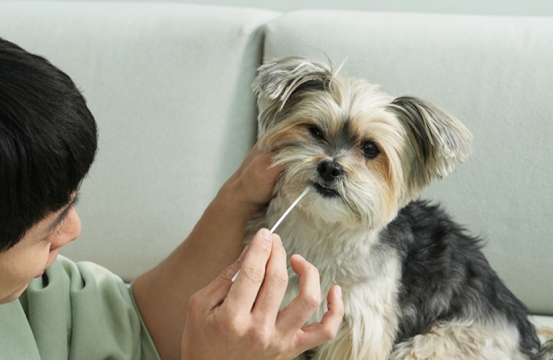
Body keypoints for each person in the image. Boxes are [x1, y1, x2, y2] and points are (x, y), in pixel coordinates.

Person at [0, 37, 344, 360]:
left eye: (71, 203)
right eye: (53, 224)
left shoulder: (26, 293)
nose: (73, 230)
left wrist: (241, 195)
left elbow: (127, 325)